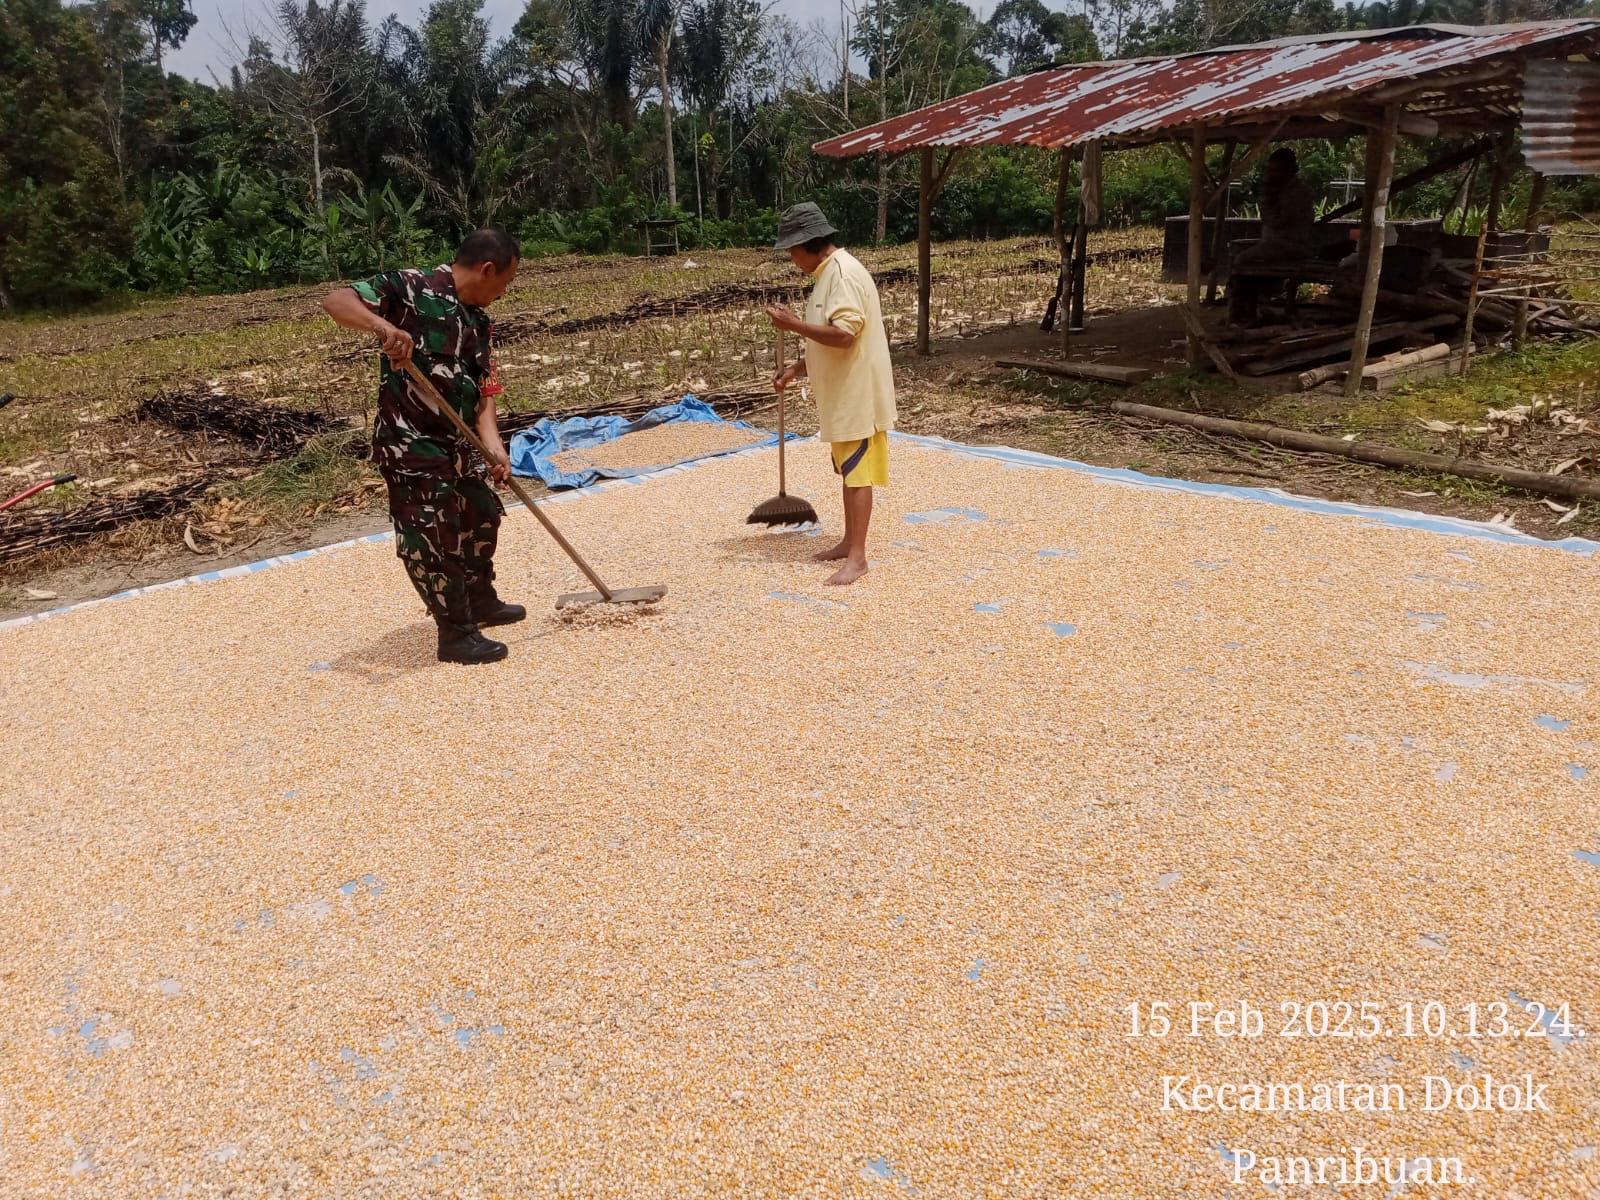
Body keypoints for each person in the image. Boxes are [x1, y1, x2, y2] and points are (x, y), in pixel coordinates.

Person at [323, 229, 523, 665]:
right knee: (432, 536)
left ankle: (478, 599)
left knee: (481, 513)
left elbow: (483, 387)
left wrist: (494, 447)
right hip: (410, 443)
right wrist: (384, 327)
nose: (503, 293)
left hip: (457, 443)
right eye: (504, 282)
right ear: (487, 269)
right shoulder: (413, 288)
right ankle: (455, 632)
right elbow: (336, 300)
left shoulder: (478, 321)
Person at [766, 203, 897, 587]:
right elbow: (827, 338)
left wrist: (792, 325)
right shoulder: (828, 276)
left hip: (858, 394)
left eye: (792, 250)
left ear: (808, 243)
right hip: (842, 394)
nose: (791, 259)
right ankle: (848, 542)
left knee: (858, 476)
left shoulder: (841, 274)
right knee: (849, 473)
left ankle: (858, 558)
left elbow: (845, 336)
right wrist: (795, 369)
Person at [1227, 147, 1317, 325]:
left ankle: (1239, 313)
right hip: (1278, 243)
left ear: (1288, 170)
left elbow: (1277, 221)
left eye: (1276, 170)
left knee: (1241, 261)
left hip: (1290, 245)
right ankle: (1248, 310)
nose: (1272, 174)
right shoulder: (1285, 190)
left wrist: (1265, 200)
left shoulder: (1295, 193)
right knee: (1244, 255)